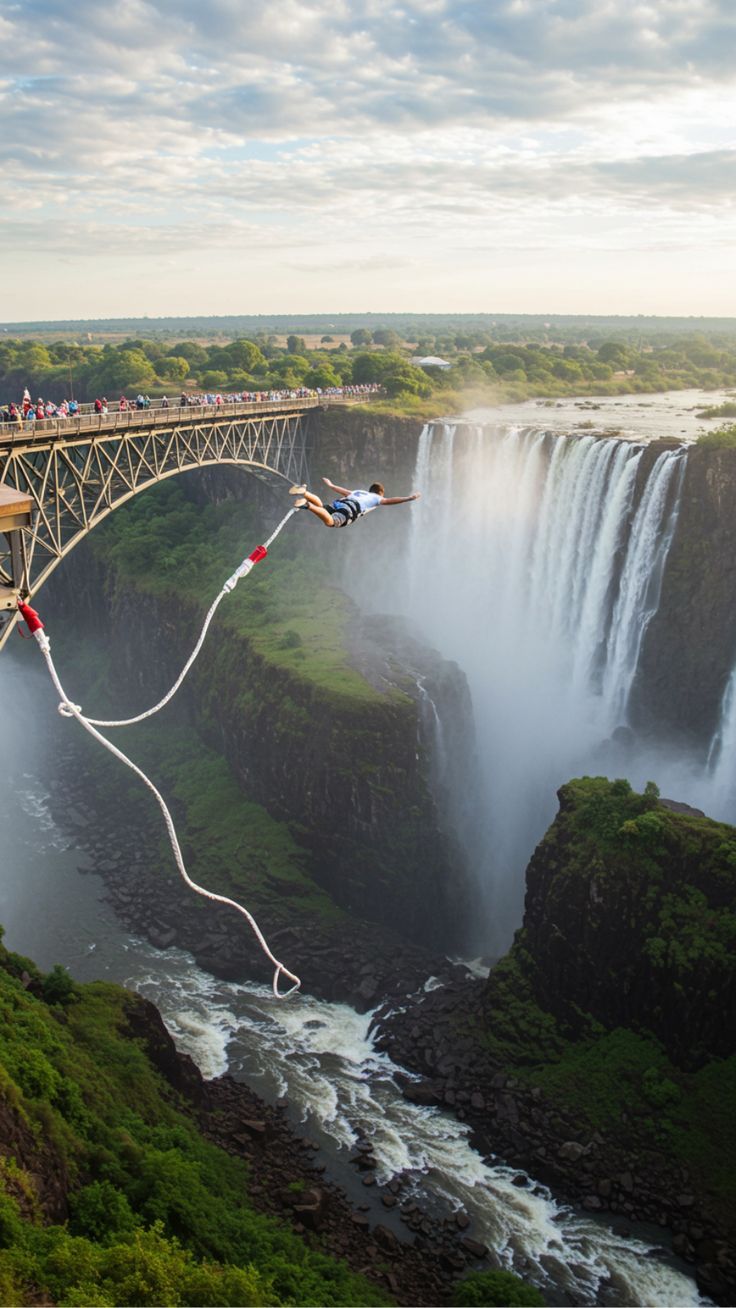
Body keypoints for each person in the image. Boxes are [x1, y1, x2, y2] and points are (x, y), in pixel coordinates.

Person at [290, 476, 420, 528]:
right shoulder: (377, 498)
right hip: (351, 509)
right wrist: (408, 498)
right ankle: (307, 505)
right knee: (330, 522)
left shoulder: (358, 492)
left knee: (322, 507)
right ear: (380, 492)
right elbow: (390, 501)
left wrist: (330, 484)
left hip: (343, 502)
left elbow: (340, 489)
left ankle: (305, 492)